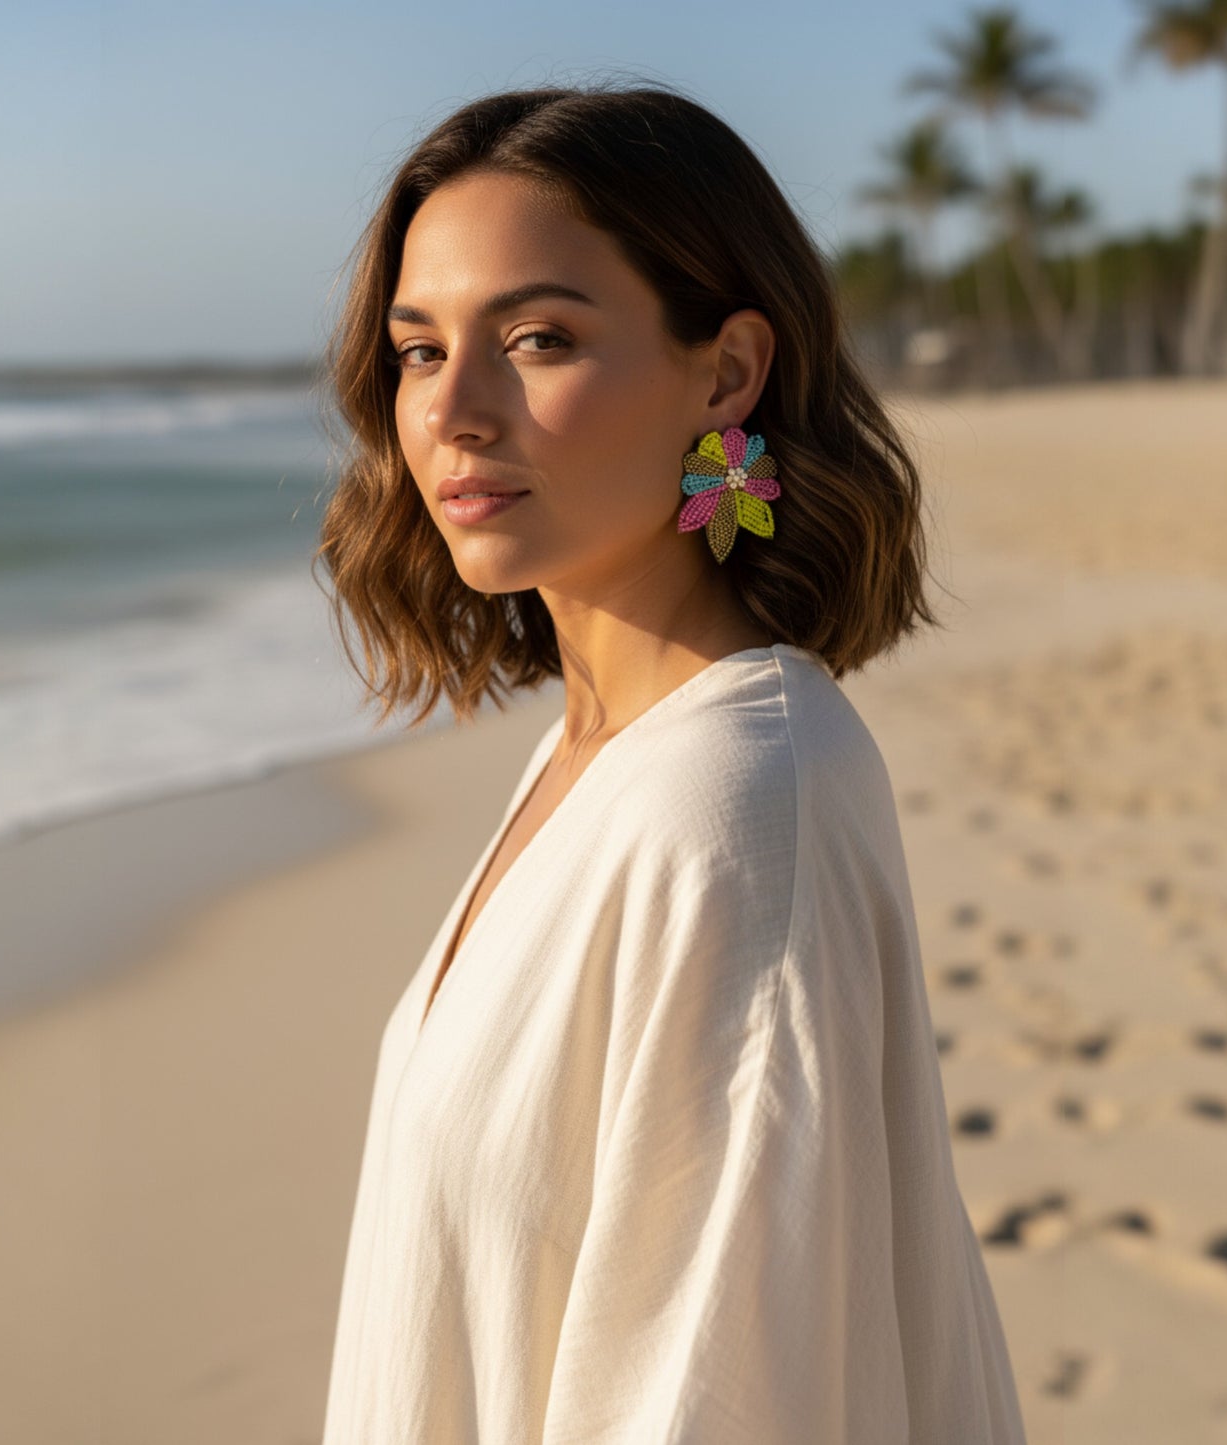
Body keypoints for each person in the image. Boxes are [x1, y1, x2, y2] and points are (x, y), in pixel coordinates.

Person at [311, 81, 1029, 1444]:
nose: (453, 409)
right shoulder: (605, 754)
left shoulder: (734, 804)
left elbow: (713, 1393)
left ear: (724, 372)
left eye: (535, 337)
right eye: (417, 350)